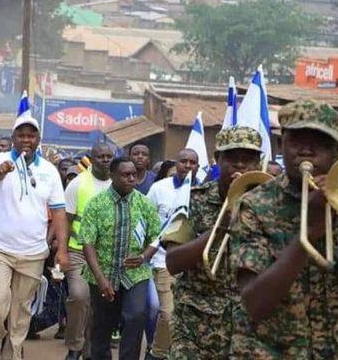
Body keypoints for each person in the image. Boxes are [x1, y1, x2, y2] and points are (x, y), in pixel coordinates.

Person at [229, 100, 338, 358]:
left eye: (320, 142)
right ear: (281, 145)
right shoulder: (253, 205)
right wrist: (307, 233)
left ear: (337, 151)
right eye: (297, 140)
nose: (307, 151)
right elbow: (255, 304)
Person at [160, 127, 262, 359]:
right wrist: (221, 225)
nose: (240, 166)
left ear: (259, 163)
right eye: (232, 159)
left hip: (251, 330)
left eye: (248, 160)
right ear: (217, 160)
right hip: (196, 327)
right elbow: (173, 262)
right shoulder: (192, 199)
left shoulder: (273, 205)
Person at [0, 113, 69, 360]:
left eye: (31, 135)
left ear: (39, 139)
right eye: (21, 135)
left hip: (33, 251)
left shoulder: (49, 171)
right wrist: (3, 170)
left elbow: (59, 212)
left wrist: (61, 251)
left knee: (21, 311)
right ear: (14, 137)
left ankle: (12, 353)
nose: (26, 140)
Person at [78, 157, 160, 360]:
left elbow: (156, 237)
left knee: (135, 317)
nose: (131, 178)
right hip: (102, 273)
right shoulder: (96, 205)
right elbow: (87, 243)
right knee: (102, 326)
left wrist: (144, 256)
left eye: (133, 174)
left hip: (135, 275)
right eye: (125, 175)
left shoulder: (144, 203)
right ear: (112, 176)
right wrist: (100, 279)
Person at [63, 143, 114, 360]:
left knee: (99, 304)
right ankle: (75, 346)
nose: (105, 160)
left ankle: (91, 349)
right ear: (91, 159)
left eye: (109, 156)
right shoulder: (77, 184)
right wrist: (62, 251)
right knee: (79, 296)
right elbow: (66, 220)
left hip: (107, 256)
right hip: (78, 253)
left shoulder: (118, 183)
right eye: (100, 156)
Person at [145, 149, 198, 359]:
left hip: (192, 264)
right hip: (162, 261)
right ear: (176, 164)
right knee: (166, 314)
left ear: (198, 166)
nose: (187, 166)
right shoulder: (159, 188)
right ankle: (157, 353)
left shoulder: (204, 191)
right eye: (183, 161)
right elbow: (146, 220)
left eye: (192, 162)